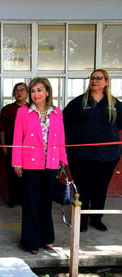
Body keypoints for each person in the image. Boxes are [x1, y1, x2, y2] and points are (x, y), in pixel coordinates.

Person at [12, 77, 67, 255]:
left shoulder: (57, 113)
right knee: (31, 203)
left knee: (46, 203)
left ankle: (46, 238)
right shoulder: (23, 112)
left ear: (48, 92)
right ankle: (31, 242)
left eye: (39, 90)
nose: (36, 94)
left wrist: (63, 162)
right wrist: (16, 162)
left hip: (51, 164)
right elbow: (17, 137)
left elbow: (61, 140)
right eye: (33, 91)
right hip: (30, 164)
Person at [63, 69, 122, 233]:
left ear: (106, 82)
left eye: (98, 78)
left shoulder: (115, 105)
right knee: (83, 188)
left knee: (101, 187)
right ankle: (81, 220)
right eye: (92, 78)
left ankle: (96, 218)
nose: (94, 81)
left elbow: (119, 125)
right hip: (81, 157)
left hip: (108, 156)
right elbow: (63, 123)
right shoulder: (78, 103)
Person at [0, 82, 28, 208]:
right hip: (11, 143)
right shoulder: (8, 109)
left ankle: (24, 199)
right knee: (12, 173)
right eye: (16, 91)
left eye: (22, 90)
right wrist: (4, 145)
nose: (19, 93)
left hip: (27, 145)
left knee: (26, 174)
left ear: (27, 93)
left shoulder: (32, 108)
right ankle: (13, 199)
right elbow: (2, 129)